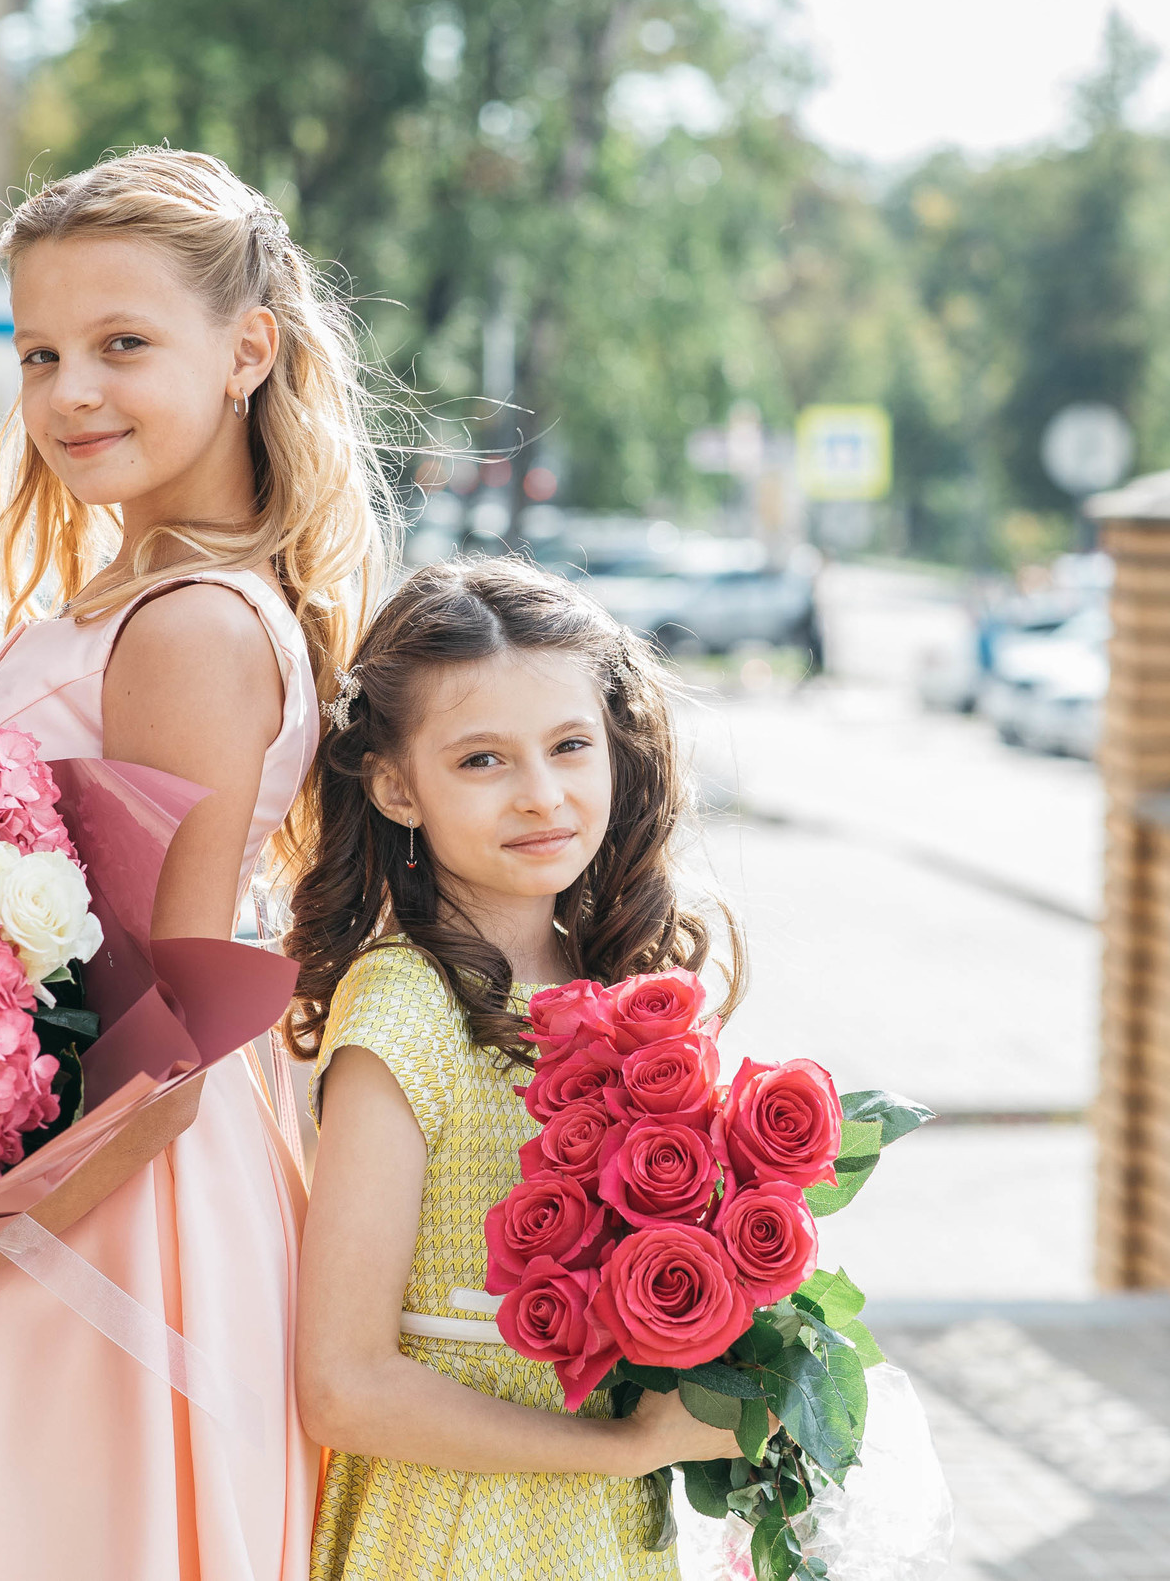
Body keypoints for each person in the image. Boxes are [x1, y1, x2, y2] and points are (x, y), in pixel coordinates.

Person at [0, 147, 394, 1580]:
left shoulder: (189, 627)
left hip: (117, 1214)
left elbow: (160, 1046)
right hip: (67, 1182)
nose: (71, 391)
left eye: (124, 344)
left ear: (246, 347)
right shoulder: (123, 598)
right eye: (40, 351)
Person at [285, 558, 750, 1580]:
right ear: (398, 785)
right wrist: (620, 1449)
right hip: (456, 1527)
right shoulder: (405, 1009)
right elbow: (342, 1385)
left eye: (570, 746)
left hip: (608, 1529)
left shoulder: (616, 984)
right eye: (482, 762)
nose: (542, 796)